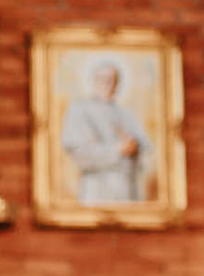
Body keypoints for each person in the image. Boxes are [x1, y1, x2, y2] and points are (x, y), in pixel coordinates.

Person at [61, 58, 153, 203]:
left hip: (128, 190)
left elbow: (145, 147)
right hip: (97, 189)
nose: (108, 84)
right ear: (93, 81)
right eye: (102, 79)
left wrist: (134, 146)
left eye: (112, 80)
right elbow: (79, 151)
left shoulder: (126, 113)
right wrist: (117, 150)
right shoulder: (80, 110)